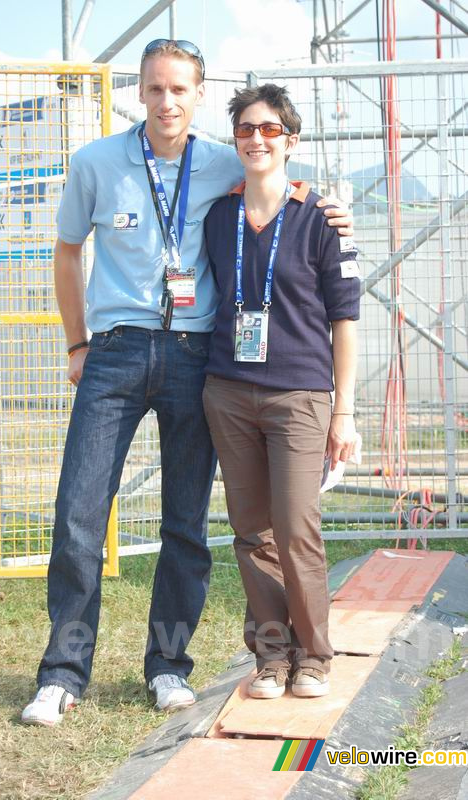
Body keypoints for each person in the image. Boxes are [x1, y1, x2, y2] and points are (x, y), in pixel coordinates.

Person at [21, 42, 354, 726]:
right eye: (153, 89)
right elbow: (66, 249)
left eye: (178, 89)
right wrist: (77, 341)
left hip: (194, 356)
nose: (166, 102)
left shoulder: (222, 159)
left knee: (184, 524)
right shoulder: (95, 163)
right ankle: (60, 674)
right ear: (137, 93)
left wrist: (330, 208)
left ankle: (168, 666)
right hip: (113, 355)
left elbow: (279, 174)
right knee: (79, 516)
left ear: (198, 94)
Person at [202, 84, 360, 700]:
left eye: (270, 129)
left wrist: (341, 411)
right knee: (252, 531)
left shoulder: (323, 219)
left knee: (295, 528)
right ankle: (270, 657)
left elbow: (345, 320)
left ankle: (314, 655)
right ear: (236, 139)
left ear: (291, 140)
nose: (258, 139)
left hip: (299, 395)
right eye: (246, 129)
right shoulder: (219, 216)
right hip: (229, 390)